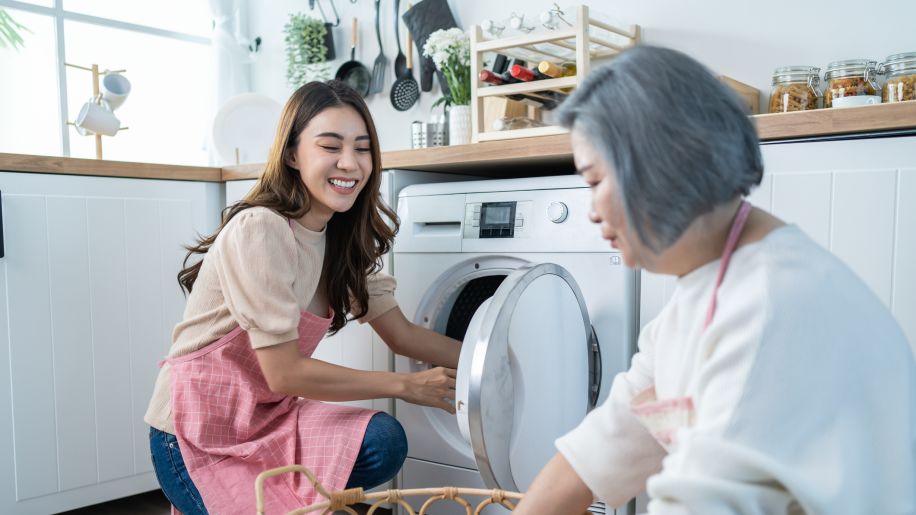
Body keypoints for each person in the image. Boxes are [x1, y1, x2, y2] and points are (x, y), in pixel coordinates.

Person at [513, 46, 916, 514]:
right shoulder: (705, 288)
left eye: (595, 180)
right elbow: (607, 444)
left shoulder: (769, 308)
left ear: (659, 164)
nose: (591, 210)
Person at [145, 80, 461, 515]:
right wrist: (405, 385)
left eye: (362, 149)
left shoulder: (341, 239)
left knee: (382, 441)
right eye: (330, 147)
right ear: (293, 154)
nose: (349, 163)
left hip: (268, 417)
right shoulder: (262, 228)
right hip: (195, 434)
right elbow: (284, 373)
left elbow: (404, 335)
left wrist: (493, 360)